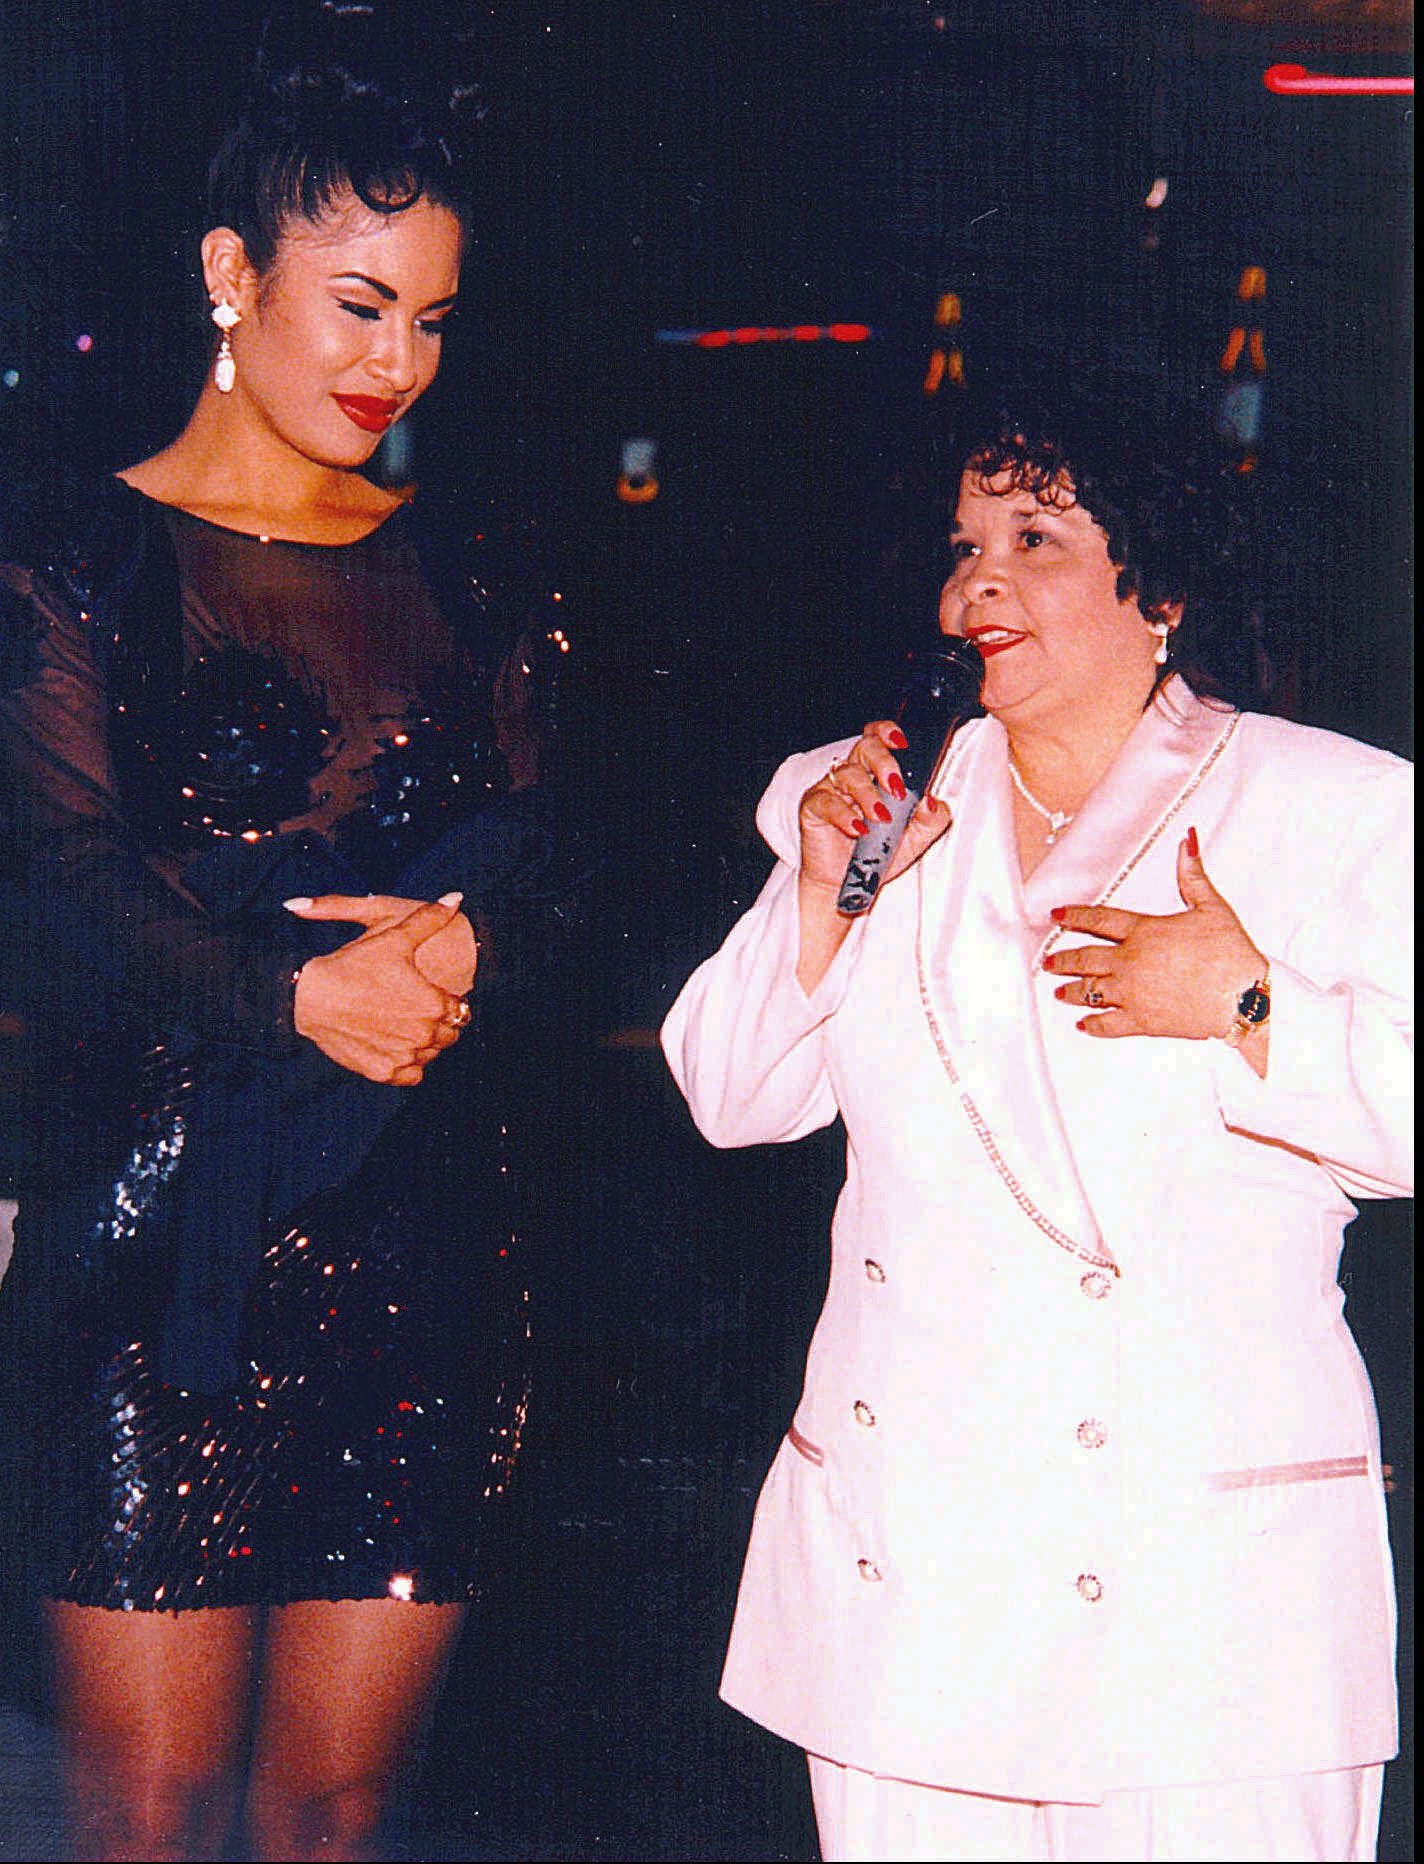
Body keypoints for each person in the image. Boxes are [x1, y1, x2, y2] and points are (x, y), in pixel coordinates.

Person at [661, 375, 1413, 1863]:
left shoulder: (1331, 811)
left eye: (1037, 537)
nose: (979, 582)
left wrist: (1254, 1004)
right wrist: (822, 887)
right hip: (913, 1582)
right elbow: (732, 1096)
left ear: (1168, 588)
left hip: (1203, 1605)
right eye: (962, 545)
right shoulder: (868, 807)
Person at [0, 4, 579, 1857]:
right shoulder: (74, 560)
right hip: (153, 1254)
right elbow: (65, 880)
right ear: (231, 275)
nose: (397, 358)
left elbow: (572, 862)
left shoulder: (476, 572)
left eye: (429, 317)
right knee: (147, 1817)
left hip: (428, 1251)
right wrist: (294, 992)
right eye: (358, 302)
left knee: (337, 1814)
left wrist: (485, 950)